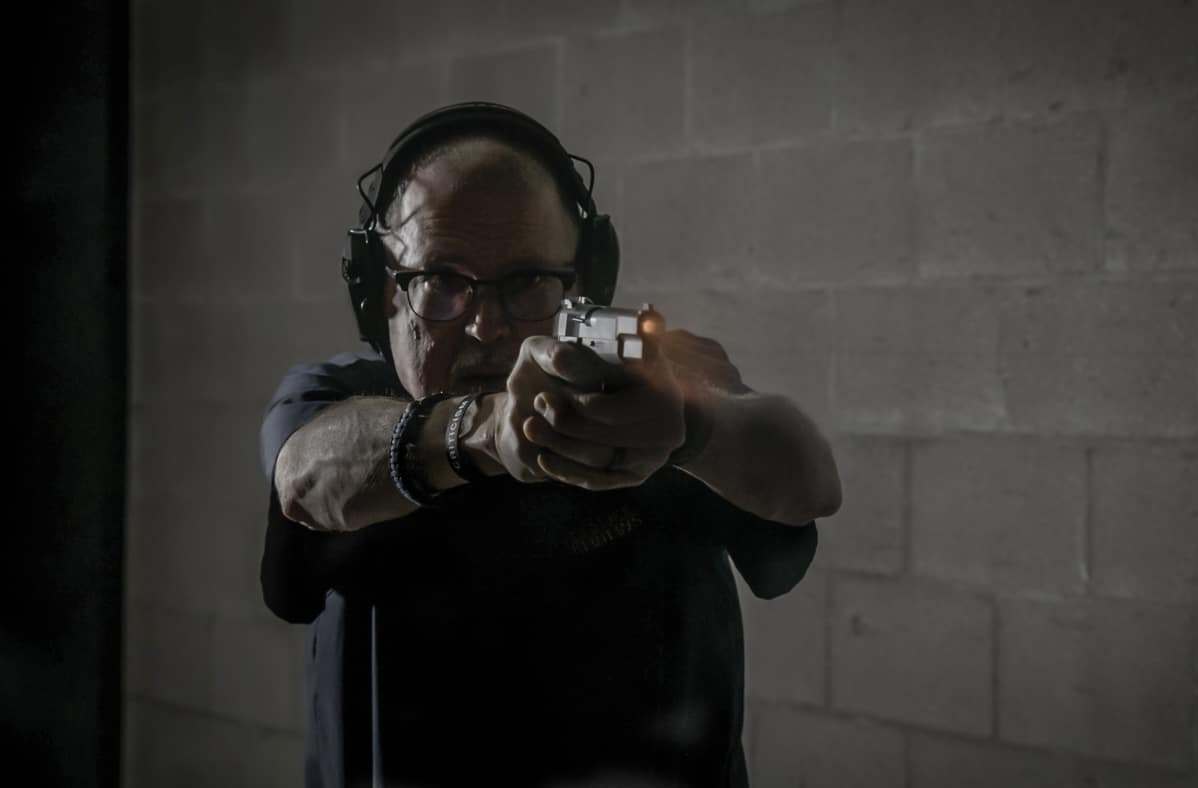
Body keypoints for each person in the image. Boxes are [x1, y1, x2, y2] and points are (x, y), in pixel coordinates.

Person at [257, 102, 842, 788]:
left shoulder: (655, 390)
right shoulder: (342, 398)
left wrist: (692, 431)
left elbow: (808, 480)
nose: (484, 326)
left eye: (527, 281)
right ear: (381, 292)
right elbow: (303, 477)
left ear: (585, 282)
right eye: (443, 282)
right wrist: (486, 433)